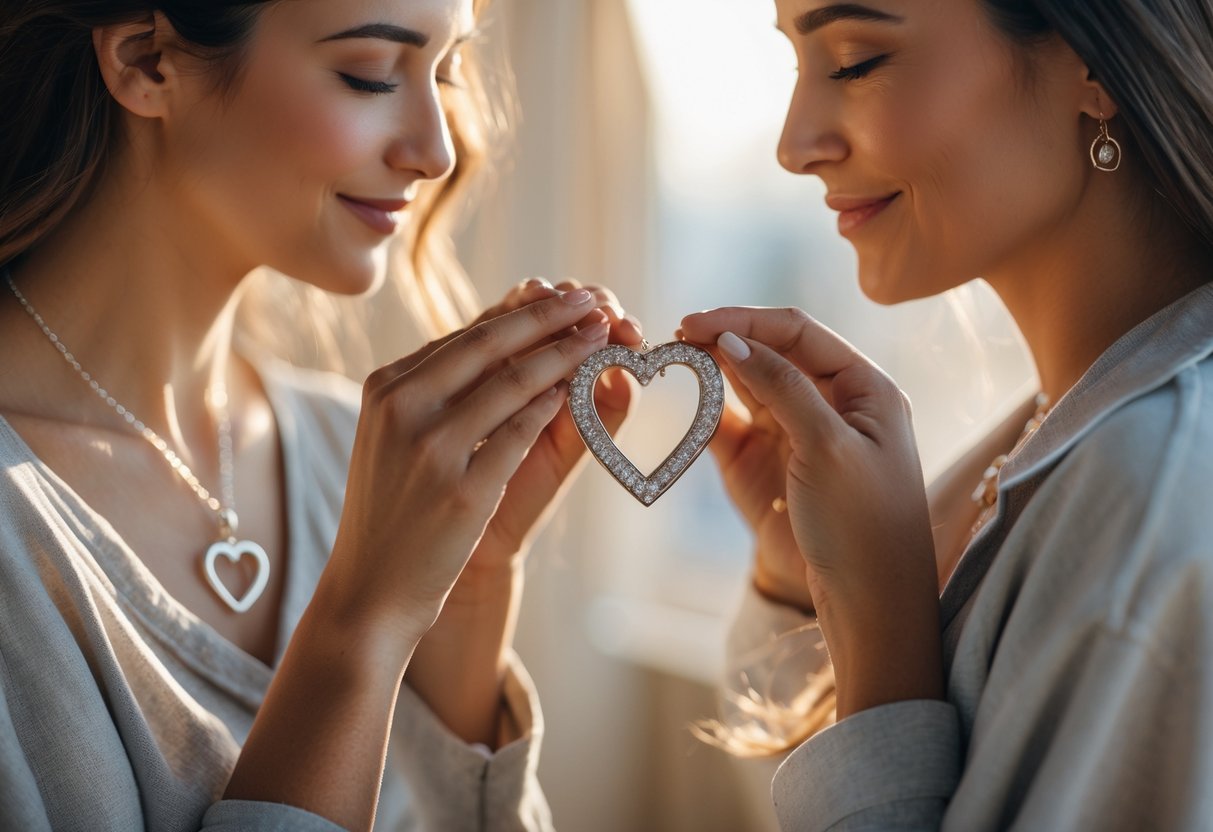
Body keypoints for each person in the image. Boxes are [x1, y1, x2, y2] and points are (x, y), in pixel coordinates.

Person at [0, 2, 641, 830]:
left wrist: (468, 599)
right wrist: (362, 624)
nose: (438, 151)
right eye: (369, 74)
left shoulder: (368, 457)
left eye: (446, 71)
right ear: (146, 62)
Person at [680, 0, 1213, 828]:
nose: (793, 145)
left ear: (1095, 65)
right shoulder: (1052, 432)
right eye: (796, 65)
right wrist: (811, 591)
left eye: (854, 61)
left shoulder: (1150, 495)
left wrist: (886, 642)